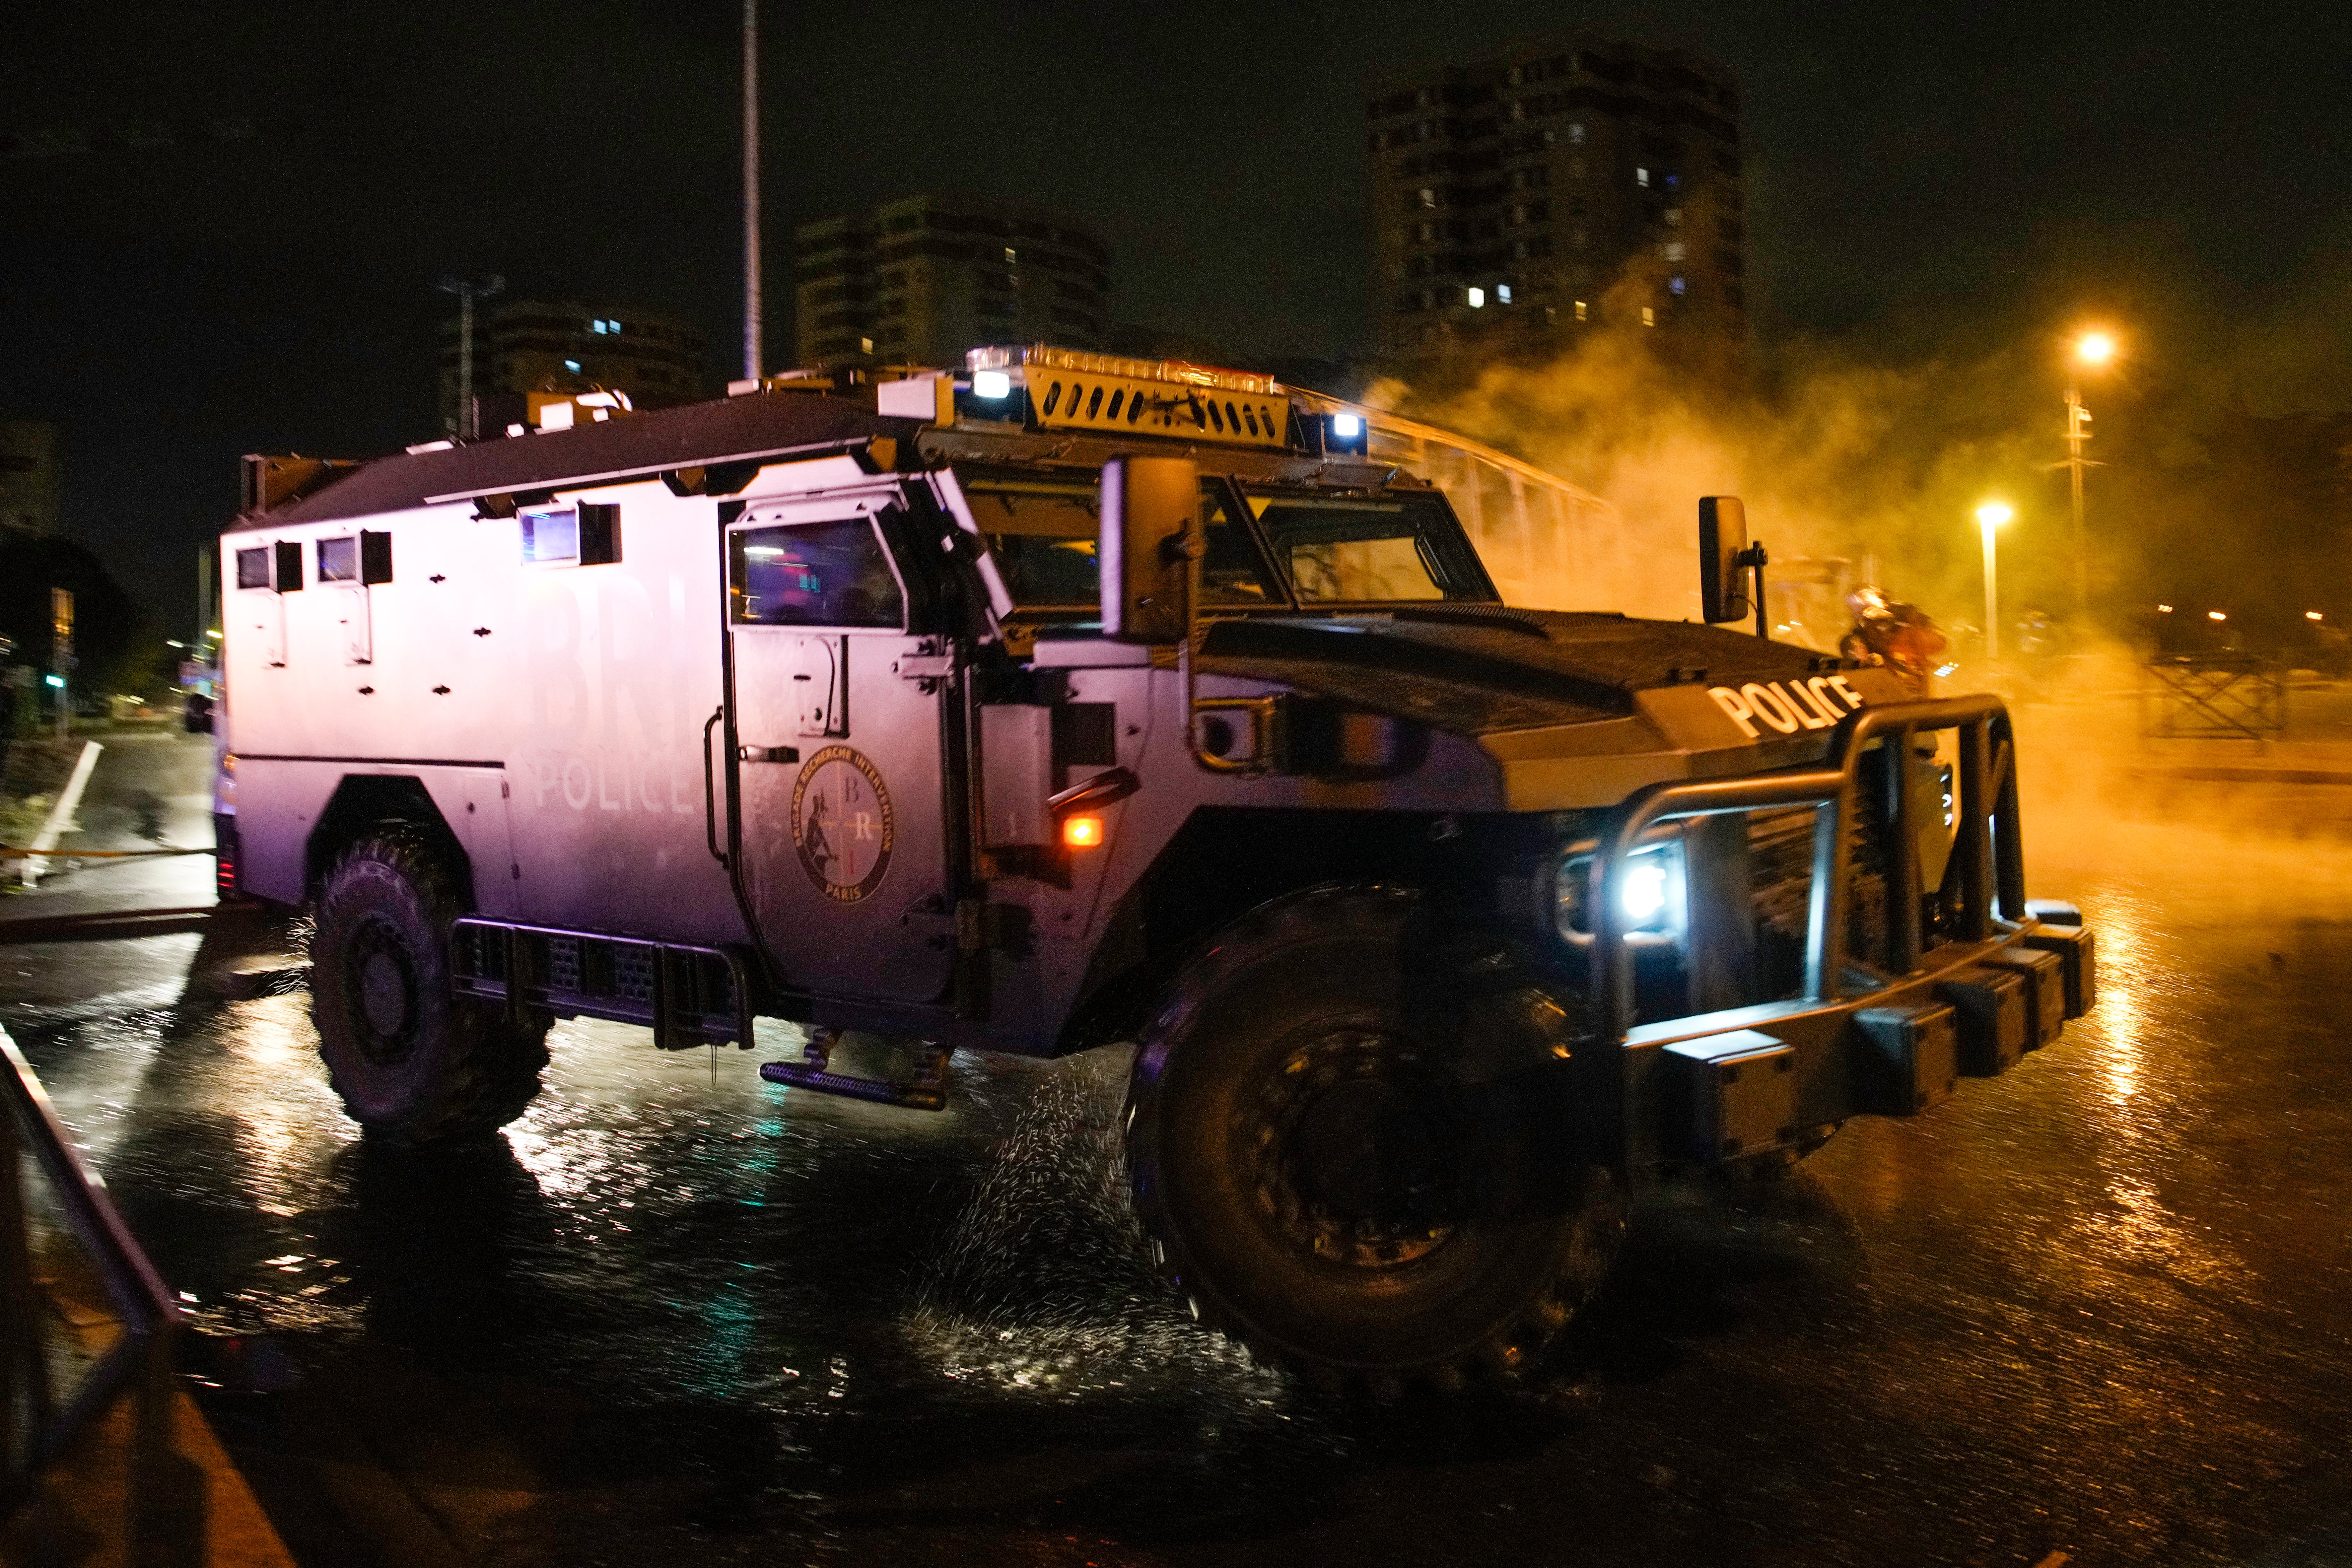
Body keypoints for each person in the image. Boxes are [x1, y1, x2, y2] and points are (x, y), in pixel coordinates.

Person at [1839, 586, 1948, 698]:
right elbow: (1851, 653)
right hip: (1890, 688)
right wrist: (1865, 658)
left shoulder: (1904, 614)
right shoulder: (1859, 636)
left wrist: (1914, 645)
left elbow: (1940, 641)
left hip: (1918, 683)